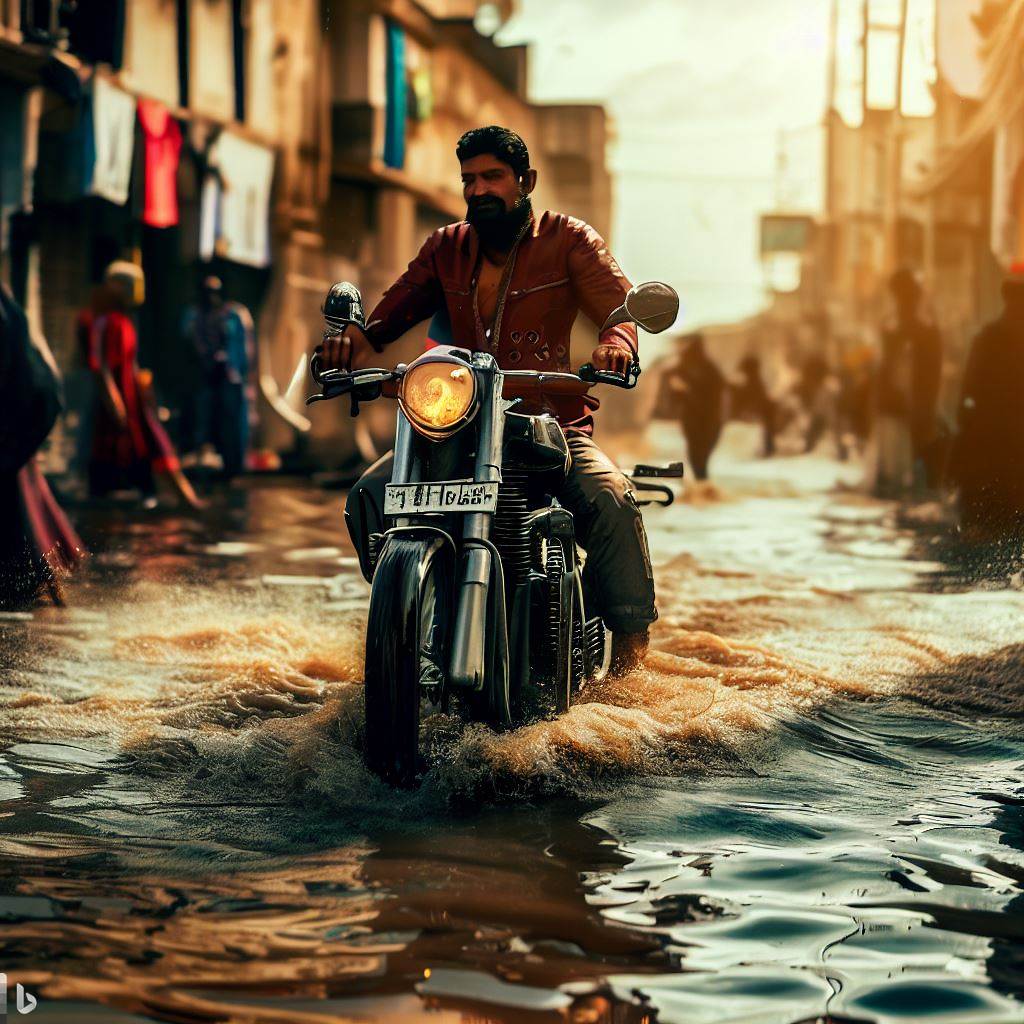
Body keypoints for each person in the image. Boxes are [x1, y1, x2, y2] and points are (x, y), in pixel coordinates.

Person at [316, 125, 657, 675]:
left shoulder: (569, 239)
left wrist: (617, 346)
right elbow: (386, 319)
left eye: (492, 177)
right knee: (369, 496)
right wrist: (345, 345)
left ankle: (630, 660)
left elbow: (620, 312)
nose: (478, 191)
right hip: (456, 425)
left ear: (526, 181)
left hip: (551, 425)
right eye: (469, 180)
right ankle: (408, 617)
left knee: (611, 499)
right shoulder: (445, 247)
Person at [88, 261, 202, 508]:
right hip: (120, 398)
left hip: (132, 398)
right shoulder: (107, 322)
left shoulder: (123, 323)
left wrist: (143, 393)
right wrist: (113, 399)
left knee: (151, 442)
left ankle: (182, 497)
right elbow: (102, 366)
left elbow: (130, 364)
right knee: (127, 446)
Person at [0, 283, 85, 607]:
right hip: (27, 407)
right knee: (22, 501)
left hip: (21, 411)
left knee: (16, 505)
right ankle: (41, 587)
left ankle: (31, 588)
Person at [953, 264, 1024, 542]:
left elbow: (965, 401)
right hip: (994, 457)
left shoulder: (986, 339)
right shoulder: (987, 339)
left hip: (995, 459)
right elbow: (966, 401)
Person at [873, 268, 942, 495]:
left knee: (907, 478)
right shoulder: (895, 329)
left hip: (914, 411)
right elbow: (885, 373)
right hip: (898, 411)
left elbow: (931, 374)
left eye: (905, 297)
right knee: (901, 479)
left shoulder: (923, 331)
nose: (902, 303)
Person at [181, 275, 254, 479]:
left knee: (231, 421)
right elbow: (188, 342)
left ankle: (232, 465)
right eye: (207, 293)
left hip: (229, 377)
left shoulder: (233, 315)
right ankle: (204, 463)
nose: (211, 297)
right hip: (204, 376)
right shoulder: (193, 316)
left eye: (215, 292)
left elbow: (244, 346)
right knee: (202, 420)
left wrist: (239, 369)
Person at [666, 333, 726, 480]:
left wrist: (686, 389)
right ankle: (702, 484)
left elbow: (714, 391)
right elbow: (675, 396)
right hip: (695, 418)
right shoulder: (682, 367)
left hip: (707, 417)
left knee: (700, 454)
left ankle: (703, 484)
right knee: (696, 454)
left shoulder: (705, 367)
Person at [730, 353, 777, 457]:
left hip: (760, 411)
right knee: (768, 426)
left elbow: (753, 396)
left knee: (767, 426)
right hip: (761, 411)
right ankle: (768, 448)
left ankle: (768, 448)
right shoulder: (755, 381)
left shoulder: (755, 382)